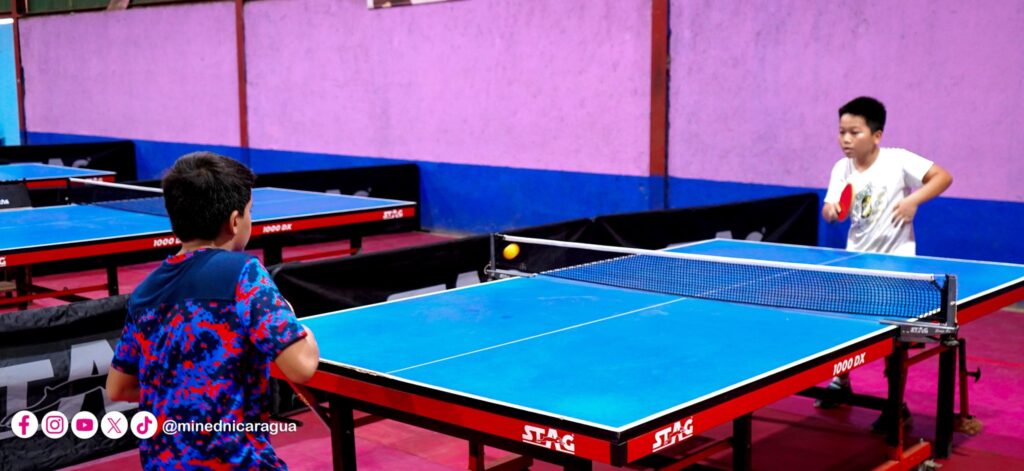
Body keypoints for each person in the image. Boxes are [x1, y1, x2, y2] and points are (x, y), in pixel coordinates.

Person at [106, 152, 320, 469]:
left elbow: (118, 387)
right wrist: (297, 323)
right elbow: (302, 366)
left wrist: (188, 394)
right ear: (234, 221)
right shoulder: (243, 272)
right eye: (249, 212)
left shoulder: (145, 291)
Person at [818, 97, 953, 431]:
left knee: (895, 341)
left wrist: (913, 200)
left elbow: (942, 177)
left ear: (876, 135)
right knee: (846, 330)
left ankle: (896, 406)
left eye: (854, 132)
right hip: (856, 264)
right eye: (841, 132)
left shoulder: (897, 160)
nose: (846, 139)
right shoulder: (841, 168)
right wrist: (832, 212)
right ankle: (841, 382)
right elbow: (830, 208)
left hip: (896, 267)